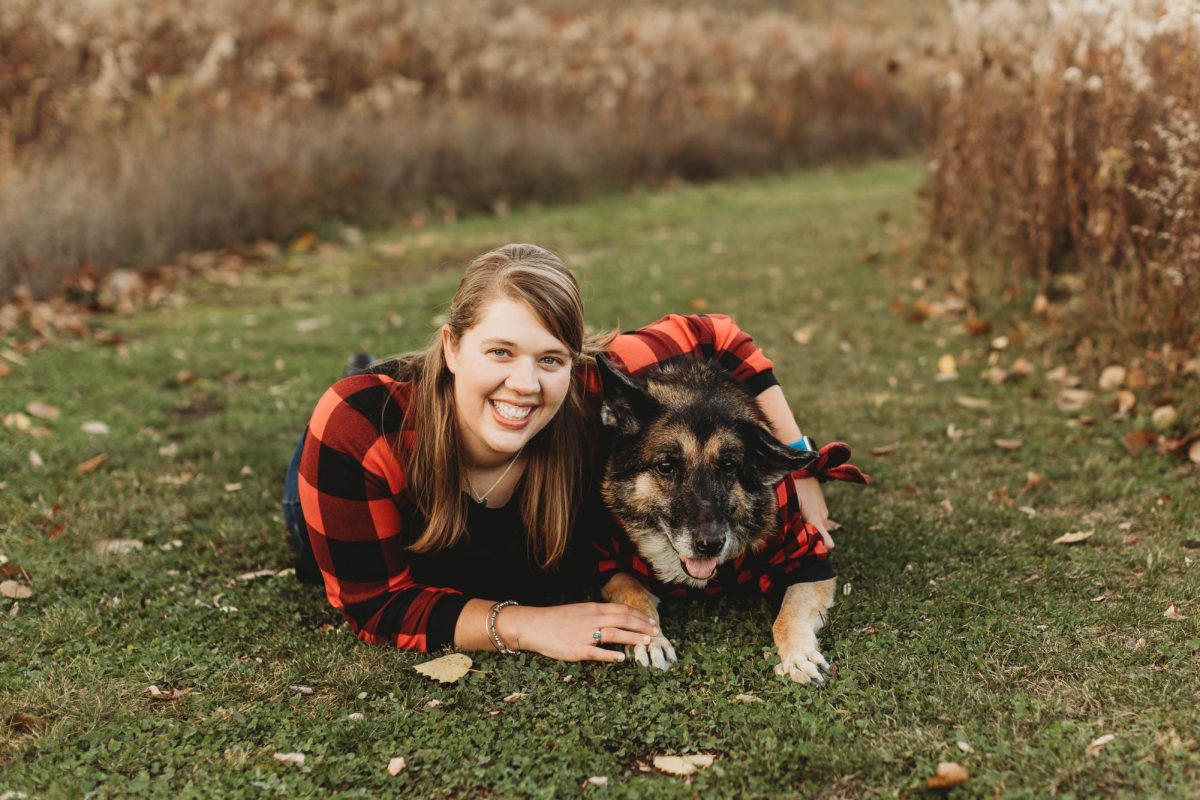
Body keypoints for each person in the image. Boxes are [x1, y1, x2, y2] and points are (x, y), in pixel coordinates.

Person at [281, 243, 835, 663]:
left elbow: (719, 336)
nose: (524, 383)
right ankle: (364, 367)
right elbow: (378, 604)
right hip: (338, 493)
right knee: (337, 433)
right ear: (451, 346)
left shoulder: (591, 390)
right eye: (499, 351)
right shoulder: (358, 428)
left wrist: (802, 462)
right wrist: (525, 625)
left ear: (575, 361)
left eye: (549, 358)